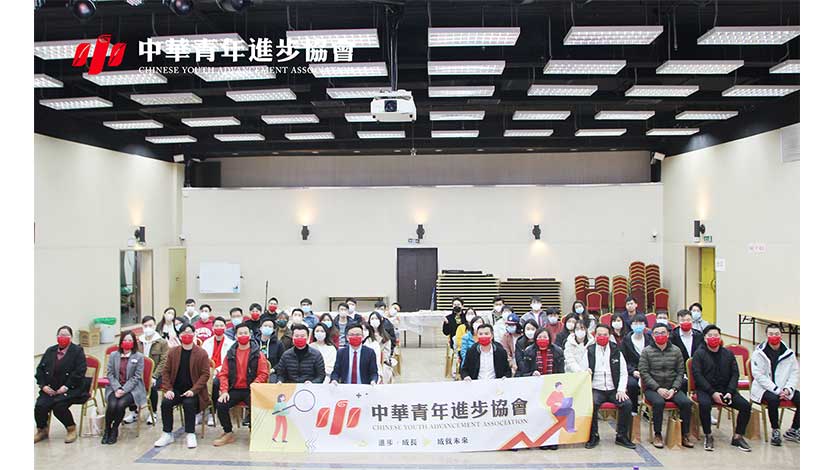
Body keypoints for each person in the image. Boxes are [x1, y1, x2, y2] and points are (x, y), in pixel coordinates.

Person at [691, 324, 752, 452]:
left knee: (745, 406)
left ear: (720, 337)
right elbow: (698, 376)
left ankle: (738, 436)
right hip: (706, 390)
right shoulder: (699, 354)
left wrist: (730, 391)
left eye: (716, 335)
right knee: (705, 404)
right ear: (705, 338)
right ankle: (708, 435)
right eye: (710, 336)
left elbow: (735, 374)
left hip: (726, 389)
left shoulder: (728, 354)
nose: (713, 338)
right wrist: (712, 393)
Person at [154, 324, 212, 449]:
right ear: (180, 336)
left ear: (194, 334)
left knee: (188, 403)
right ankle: (167, 433)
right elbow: (166, 372)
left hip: (194, 391)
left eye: (190, 332)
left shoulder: (201, 353)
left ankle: (190, 433)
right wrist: (168, 389)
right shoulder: (173, 352)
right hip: (176, 389)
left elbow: (205, 374)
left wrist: (193, 390)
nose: (187, 335)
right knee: (166, 403)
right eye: (184, 333)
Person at [213, 323, 270, 446]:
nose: (243, 335)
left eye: (245, 333)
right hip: (235, 389)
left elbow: (263, 373)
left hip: (252, 389)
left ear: (250, 335)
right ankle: (228, 432)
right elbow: (223, 374)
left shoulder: (257, 353)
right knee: (221, 404)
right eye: (240, 333)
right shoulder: (230, 353)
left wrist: (255, 385)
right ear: (235, 336)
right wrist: (224, 391)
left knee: (257, 406)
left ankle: (254, 432)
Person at [638, 324, 694, 449]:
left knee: (686, 403)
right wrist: (658, 388)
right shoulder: (646, 351)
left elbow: (680, 372)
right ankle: (658, 434)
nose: (660, 335)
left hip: (672, 388)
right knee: (658, 403)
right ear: (653, 336)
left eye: (663, 333)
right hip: (653, 389)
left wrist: (674, 389)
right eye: (657, 333)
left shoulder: (676, 350)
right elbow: (644, 373)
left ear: (668, 335)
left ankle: (684, 434)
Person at [34, 326, 90, 444]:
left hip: (71, 388)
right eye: (60, 335)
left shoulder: (77, 351)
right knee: (40, 406)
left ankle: (71, 428)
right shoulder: (50, 351)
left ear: (71, 337)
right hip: (50, 388)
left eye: (66, 335)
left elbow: (80, 372)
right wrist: (43, 386)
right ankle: (42, 430)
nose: (62, 337)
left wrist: (66, 386)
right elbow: (40, 370)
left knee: (59, 406)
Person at [585, 325, 635, 449]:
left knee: (627, 404)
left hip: (614, 389)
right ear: (595, 336)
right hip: (596, 388)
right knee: (591, 404)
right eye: (599, 335)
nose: (602, 337)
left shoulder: (616, 350)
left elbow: (623, 372)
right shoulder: (589, 350)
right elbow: (583, 370)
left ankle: (621, 436)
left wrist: (621, 390)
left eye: (605, 335)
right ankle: (593, 435)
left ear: (609, 336)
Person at [750, 323, 799, 446]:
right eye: (771, 334)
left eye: (776, 334)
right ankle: (775, 430)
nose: (774, 336)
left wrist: (788, 389)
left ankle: (793, 430)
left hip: (784, 388)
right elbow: (759, 376)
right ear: (766, 335)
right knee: (773, 399)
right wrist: (776, 390)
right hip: (763, 388)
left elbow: (794, 373)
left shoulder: (789, 353)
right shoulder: (758, 353)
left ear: (781, 335)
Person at [102, 330, 146, 444]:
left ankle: (115, 429)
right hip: (114, 387)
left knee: (120, 404)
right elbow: (110, 373)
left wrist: (124, 389)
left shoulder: (139, 357)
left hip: (132, 389)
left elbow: (136, 377)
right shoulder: (113, 355)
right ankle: (107, 429)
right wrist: (117, 388)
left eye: (130, 340)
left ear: (134, 342)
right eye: (125, 340)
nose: (127, 342)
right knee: (112, 405)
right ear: (121, 341)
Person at [133, 315, 169, 425]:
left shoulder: (162, 342)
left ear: (154, 326)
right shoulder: (138, 341)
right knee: (131, 384)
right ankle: (134, 412)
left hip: (157, 374)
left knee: (152, 386)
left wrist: (154, 376)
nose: (148, 328)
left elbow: (164, 361)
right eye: (145, 326)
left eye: (150, 325)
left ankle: (153, 412)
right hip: (140, 373)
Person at [203, 317, 234, 424]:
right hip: (208, 370)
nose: (219, 328)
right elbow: (203, 359)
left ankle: (212, 413)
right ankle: (199, 411)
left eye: (221, 326)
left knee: (215, 384)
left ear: (225, 328)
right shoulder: (207, 342)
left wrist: (216, 370)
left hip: (223, 372)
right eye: (216, 326)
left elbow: (229, 362)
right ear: (212, 328)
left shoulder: (231, 343)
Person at [621, 314, 652, 413]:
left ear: (645, 325)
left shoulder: (650, 339)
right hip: (632, 371)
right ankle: (633, 409)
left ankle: (648, 410)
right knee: (632, 384)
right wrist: (632, 371)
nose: (638, 325)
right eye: (635, 323)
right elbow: (623, 360)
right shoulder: (626, 340)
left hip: (648, 370)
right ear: (631, 325)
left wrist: (646, 371)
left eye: (640, 323)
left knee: (653, 382)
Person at [367, 312, 395, 383]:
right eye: (372, 319)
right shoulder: (366, 335)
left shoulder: (386, 337)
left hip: (382, 363)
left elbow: (386, 354)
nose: (374, 320)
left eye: (376, 319)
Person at [256, 318, 286, 383]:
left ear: (273, 330)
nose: (267, 328)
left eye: (270, 327)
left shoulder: (279, 344)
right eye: (265, 326)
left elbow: (282, 360)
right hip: (256, 371)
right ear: (260, 328)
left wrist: (273, 369)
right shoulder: (254, 343)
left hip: (272, 372)